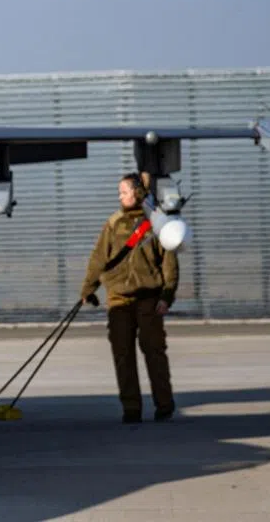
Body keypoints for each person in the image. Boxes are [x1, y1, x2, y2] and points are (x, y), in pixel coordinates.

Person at [81, 173, 179, 424]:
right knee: (123, 355)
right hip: (118, 299)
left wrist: (167, 296)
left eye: (123, 192)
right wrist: (87, 290)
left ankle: (164, 404)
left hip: (149, 299)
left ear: (137, 192)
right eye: (119, 192)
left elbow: (169, 263)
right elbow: (98, 259)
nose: (119, 196)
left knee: (155, 352)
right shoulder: (113, 224)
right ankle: (131, 408)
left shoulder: (157, 224)